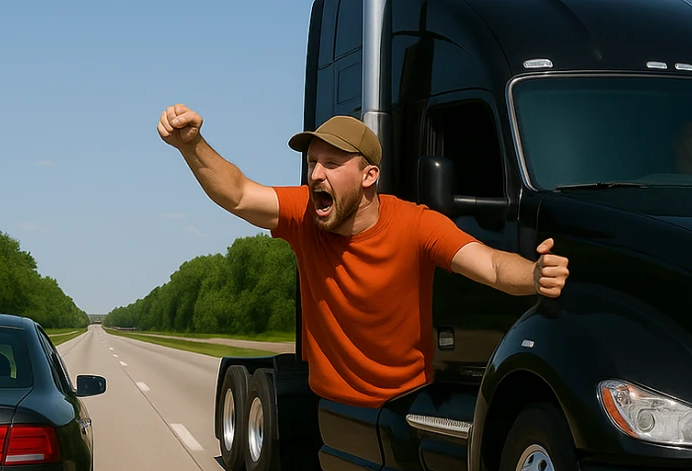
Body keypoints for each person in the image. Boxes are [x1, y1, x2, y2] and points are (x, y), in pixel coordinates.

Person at [157, 104, 569, 408]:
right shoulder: (304, 214)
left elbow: (493, 266)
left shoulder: (417, 225)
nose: (316, 174)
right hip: (330, 404)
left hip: (406, 401)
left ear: (370, 175)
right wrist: (192, 146)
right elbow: (240, 193)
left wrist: (534, 275)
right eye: (312, 162)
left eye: (332, 164)